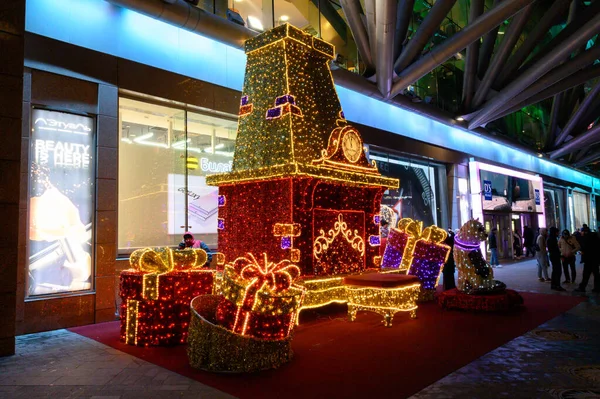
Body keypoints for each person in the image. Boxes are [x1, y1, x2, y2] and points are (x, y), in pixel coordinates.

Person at [574, 226, 600, 293]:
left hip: (588, 260)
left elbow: (584, 249)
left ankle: (582, 287)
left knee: (586, 274)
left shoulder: (585, 239)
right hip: (595, 260)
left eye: (582, 231)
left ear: (585, 232)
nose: (581, 233)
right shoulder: (595, 237)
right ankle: (597, 288)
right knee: (596, 274)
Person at [547, 227, 565, 291]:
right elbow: (555, 249)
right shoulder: (553, 239)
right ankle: (557, 285)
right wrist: (560, 255)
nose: (558, 233)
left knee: (555, 271)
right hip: (555, 256)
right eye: (557, 232)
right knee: (557, 271)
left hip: (552, 256)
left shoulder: (550, 238)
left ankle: (554, 284)